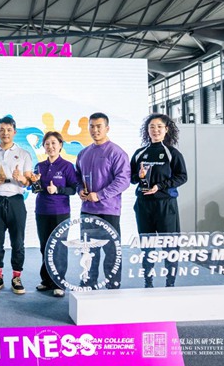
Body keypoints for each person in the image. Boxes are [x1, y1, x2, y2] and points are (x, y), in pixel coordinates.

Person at [130, 113, 187, 288]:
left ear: (166, 129)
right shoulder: (140, 153)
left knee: (169, 245)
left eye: (159, 127)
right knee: (147, 245)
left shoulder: (172, 153)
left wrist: (160, 186)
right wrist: (139, 176)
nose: (155, 130)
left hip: (165, 205)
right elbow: (131, 179)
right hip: (143, 205)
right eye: (152, 127)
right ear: (147, 130)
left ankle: (170, 283)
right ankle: (148, 282)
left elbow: (182, 176)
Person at [75, 112, 130, 289]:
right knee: (88, 250)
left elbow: (123, 180)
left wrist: (100, 195)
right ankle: (88, 282)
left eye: (99, 126)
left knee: (112, 251)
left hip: (108, 211)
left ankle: (112, 284)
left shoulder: (117, 152)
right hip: (87, 210)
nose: (95, 130)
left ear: (107, 128)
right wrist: (80, 189)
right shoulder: (83, 153)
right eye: (92, 126)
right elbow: (77, 177)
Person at [0, 116, 32, 294]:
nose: (5, 133)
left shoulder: (24, 154)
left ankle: (17, 277)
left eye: (9, 130)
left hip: (16, 200)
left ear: (14, 132)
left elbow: (28, 181)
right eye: (2, 130)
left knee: (18, 242)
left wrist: (21, 178)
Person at [33, 131, 78, 297]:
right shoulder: (39, 166)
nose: (50, 146)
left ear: (60, 145)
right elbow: (35, 189)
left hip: (60, 212)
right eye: (47, 144)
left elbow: (73, 189)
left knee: (58, 247)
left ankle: (59, 282)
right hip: (42, 211)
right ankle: (46, 280)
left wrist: (57, 189)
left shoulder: (67, 166)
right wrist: (34, 183)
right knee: (44, 246)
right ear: (43, 147)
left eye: (54, 143)